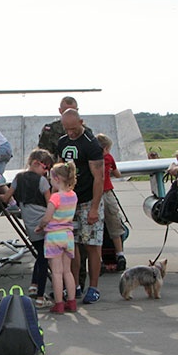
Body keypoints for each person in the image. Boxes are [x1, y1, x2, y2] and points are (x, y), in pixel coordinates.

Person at [0, 148, 54, 308]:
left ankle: (33, 285)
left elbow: (6, 198)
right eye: (45, 168)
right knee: (44, 257)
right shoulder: (42, 182)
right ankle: (40, 297)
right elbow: (51, 204)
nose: (45, 172)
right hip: (42, 222)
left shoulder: (18, 178)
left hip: (29, 223)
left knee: (39, 253)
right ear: (36, 163)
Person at [56, 108, 104, 303]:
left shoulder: (92, 144)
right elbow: (60, 170)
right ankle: (73, 285)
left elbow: (99, 178)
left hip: (87, 201)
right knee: (71, 245)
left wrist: (94, 207)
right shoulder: (62, 142)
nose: (70, 133)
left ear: (81, 122)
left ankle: (93, 287)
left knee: (92, 245)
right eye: (67, 129)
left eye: (74, 129)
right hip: (69, 202)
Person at [37, 161, 78, 315]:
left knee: (56, 273)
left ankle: (59, 303)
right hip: (68, 235)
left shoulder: (55, 198)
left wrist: (40, 226)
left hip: (54, 236)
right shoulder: (73, 196)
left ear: (57, 179)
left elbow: (47, 218)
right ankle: (72, 302)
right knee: (67, 271)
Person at [96, 133, 127, 272]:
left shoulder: (92, 160)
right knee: (115, 225)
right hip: (107, 194)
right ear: (105, 149)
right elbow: (117, 174)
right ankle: (120, 254)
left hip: (94, 195)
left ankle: (99, 259)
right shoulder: (108, 158)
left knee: (96, 228)